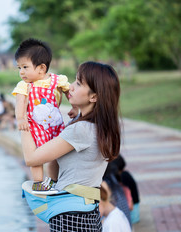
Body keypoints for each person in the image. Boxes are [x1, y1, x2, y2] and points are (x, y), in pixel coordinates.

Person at [21, 61, 121, 231]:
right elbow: (55, 172)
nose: (71, 87)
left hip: (70, 215)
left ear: (94, 97)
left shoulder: (80, 129)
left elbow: (31, 158)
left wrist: (24, 118)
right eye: (74, 81)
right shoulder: (100, 126)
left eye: (79, 83)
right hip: (88, 211)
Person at [12, 38, 77, 193]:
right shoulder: (24, 86)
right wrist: (20, 118)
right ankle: (38, 182)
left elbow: (69, 92)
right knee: (36, 158)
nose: (21, 72)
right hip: (35, 127)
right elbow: (20, 102)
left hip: (55, 125)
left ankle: (55, 180)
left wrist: (74, 107)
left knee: (56, 156)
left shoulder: (57, 80)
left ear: (41, 68)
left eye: (25, 67)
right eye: (19, 67)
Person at [112, 155, 140, 224]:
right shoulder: (126, 174)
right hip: (135, 210)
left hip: (132, 213)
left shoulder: (122, 177)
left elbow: (129, 202)